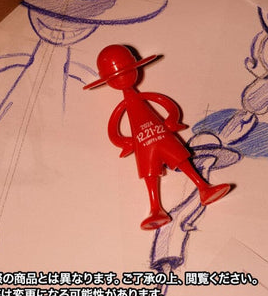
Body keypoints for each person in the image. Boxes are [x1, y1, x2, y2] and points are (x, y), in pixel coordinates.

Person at [84, 44, 231, 229]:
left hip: (161, 138)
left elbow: (167, 105)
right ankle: (156, 208)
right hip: (147, 145)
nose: (123, 78)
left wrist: (170, 121)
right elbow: (113, 131)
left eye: (127, 72)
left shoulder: (139, 99)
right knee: (150, 174)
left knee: (181, 161)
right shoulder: (126, 105)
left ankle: (203, 187)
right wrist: (129, 142)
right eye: (116, 77)